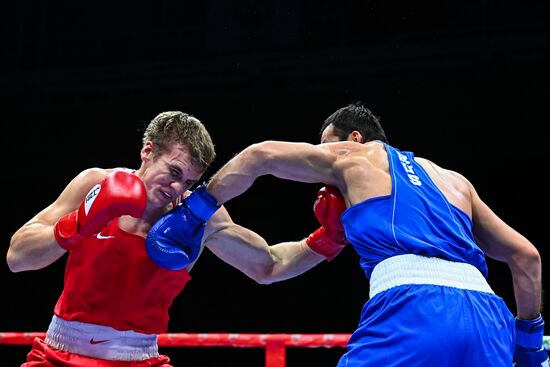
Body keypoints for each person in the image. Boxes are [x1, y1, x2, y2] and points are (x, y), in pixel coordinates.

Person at [202, 102, 548, 366]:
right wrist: (529, 343)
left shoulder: (355, 157)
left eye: (326, 145)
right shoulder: (456, 181)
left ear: (354, 139)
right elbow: (526, 256)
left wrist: (198, 209)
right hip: (489, 320)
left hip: (414, 309)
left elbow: (260, 154)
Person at [7, 111, 348, 366]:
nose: (176, 188)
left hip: (139, 357)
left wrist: (330, 237)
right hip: (59, 353)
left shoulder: (196, 219)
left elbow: (271, 265)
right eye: (173, 172)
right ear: (147, 151)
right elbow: (17, 257)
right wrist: (81, 222)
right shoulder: (94, 183)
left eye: (187, 181)